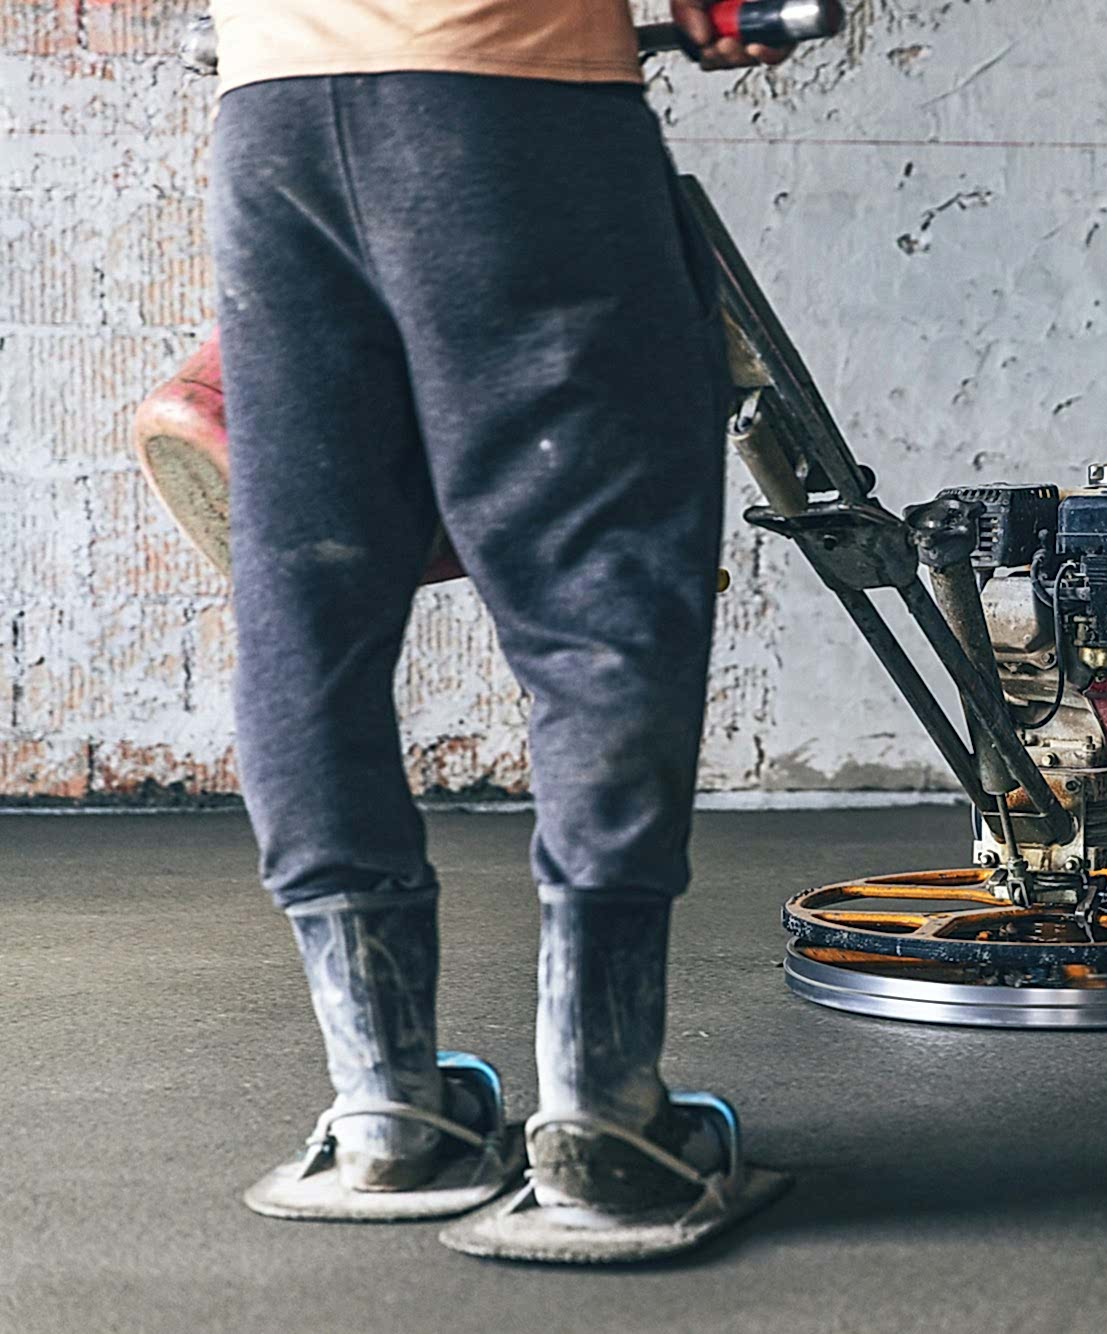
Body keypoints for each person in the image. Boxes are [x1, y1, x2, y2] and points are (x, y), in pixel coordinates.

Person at [209, 0, 791, 1249]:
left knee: (306, 590)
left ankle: (385, 1111)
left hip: (271, 114)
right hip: (509, 98)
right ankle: (604, 1117)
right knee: (602, 589)